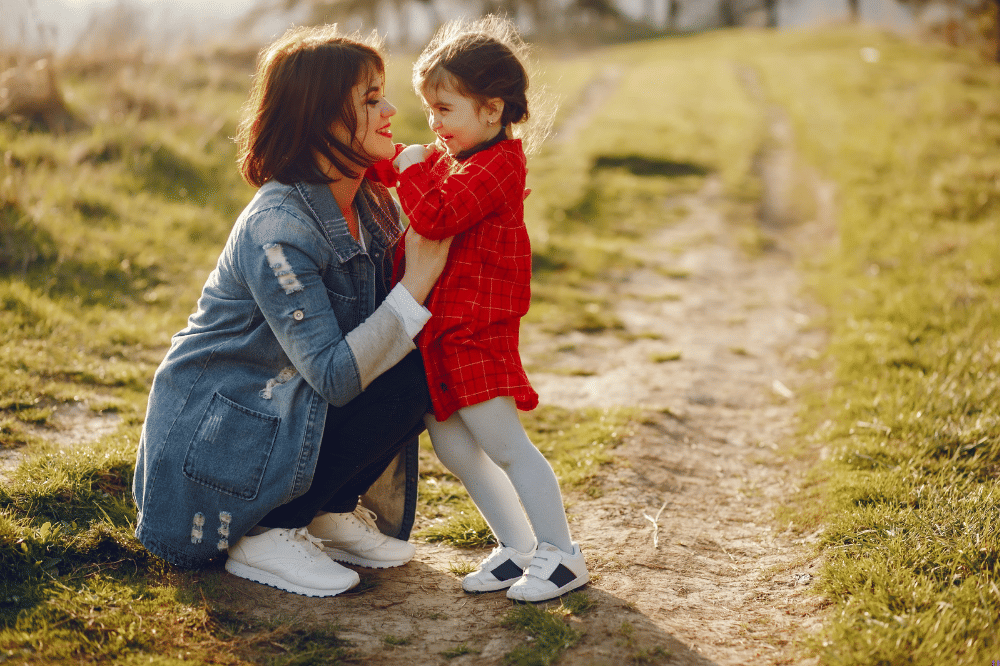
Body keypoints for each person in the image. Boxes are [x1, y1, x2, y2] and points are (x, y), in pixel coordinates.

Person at [131, 25, 452, 598]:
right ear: (321, 116)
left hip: (289, 410)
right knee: (407, 359)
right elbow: (334, 373)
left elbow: (381, 336)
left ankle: (324, 510)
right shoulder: (278, 226)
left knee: (428, 359)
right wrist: (419, 276)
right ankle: (268, 531)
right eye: (371, 98)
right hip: (224, 434)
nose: (392, 109)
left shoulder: (370, 201)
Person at [369, 16, 589, 603]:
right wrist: (374, 158)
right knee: (454, 447)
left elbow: (436, 215)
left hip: (477, 331)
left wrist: (412, 165)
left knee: (506, 444)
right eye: (430, 110)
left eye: (445, 110)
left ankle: (562, 554)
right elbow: (405, 175)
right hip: (443, 332)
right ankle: (517, 545)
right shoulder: (454, 155)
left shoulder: (498, 167)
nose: (434, 125)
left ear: (492, 111)